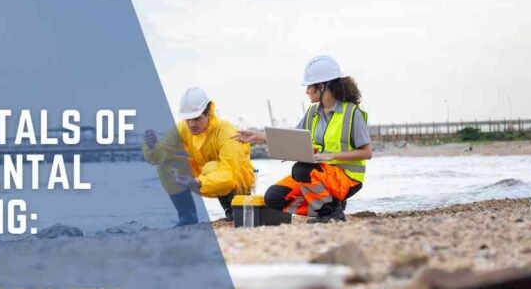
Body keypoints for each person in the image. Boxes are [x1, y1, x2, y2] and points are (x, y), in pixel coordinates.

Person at [235, 56, 372, 223]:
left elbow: (367, 153)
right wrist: (258, 136)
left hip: (347, 179)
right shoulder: (312, 113)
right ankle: (330, 206)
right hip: (320, 175)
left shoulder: (352, 113)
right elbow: (291, 138)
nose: (307, 91)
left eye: (309, 86)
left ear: (322, 86)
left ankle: (331, 212)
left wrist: (330, 156)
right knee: (273, 198)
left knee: (301, 169)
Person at [144, 87, 255, 226]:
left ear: (208, 113)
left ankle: (231, 209)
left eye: (196, 119)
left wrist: (197, 182)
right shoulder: (183, 129)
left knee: (211, 167)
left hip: (238, 183)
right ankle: (187, 216)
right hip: (203, 179)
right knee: (166, 165)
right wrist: (152, 146)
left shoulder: (226, 132)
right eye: (188, 119)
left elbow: (229, 175)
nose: (191, 124)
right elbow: (156, 157)